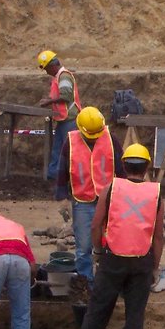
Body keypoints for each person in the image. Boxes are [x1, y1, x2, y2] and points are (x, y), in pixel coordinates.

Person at [69, 143, 164, 329]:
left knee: (98, 310)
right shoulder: (156, 193)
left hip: (112, 259)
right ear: (146, 167)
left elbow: (96, 224)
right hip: (142, 260)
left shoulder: (111, 189)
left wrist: (99, 252)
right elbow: (158, 235)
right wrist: (154, 267)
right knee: (135, 314)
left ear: (123, 165)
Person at [54, 106, 125, 283]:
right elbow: (62, 169)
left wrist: (125, 194)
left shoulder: (111, 140)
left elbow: (122, 169)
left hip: (108, 199)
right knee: (83, 246)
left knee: (111, 243)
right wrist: (62, 197)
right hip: (82, 199)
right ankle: (86, 283)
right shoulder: (70, 142)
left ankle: (108, 281)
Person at [37, 49, 83, 181]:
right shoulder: (58, 77)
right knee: (57, 150)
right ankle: (53, 178)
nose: (46, 72)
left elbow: (66, 95)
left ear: (52, 65)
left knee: (70, 152)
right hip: (63, 120)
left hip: (70, 120)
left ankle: (73, 180)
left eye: (46, 68)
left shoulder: (64, 76)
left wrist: (49, 101)